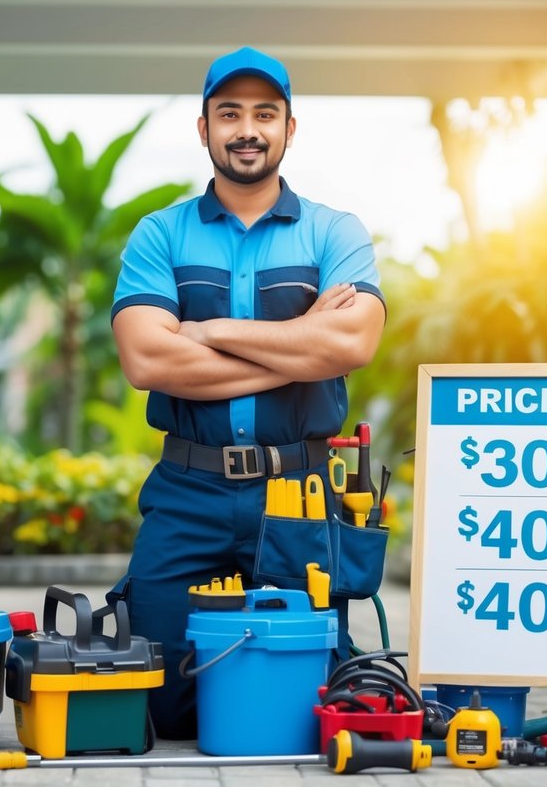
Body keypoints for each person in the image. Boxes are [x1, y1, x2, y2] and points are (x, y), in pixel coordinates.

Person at [107, 46, 386, 740]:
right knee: (165, 709)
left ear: (291, 128)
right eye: (228, 113)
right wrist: (300, 344)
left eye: (265, 113)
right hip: (187, 491)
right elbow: (145, 358)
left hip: (297, 491)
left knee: (303, 699)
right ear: (202, 128)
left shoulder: (334, 231)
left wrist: (206, 331)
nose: (247, 129)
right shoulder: (158, 234)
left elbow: (351, 345)